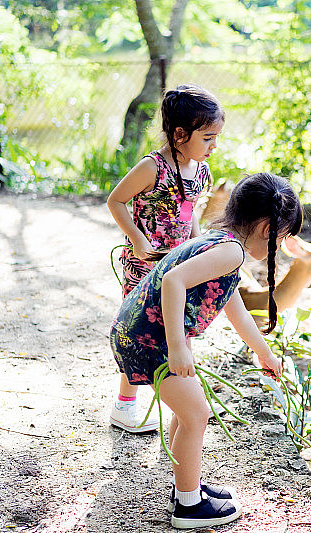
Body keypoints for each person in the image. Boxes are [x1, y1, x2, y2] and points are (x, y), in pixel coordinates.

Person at [109, 172, 300, 528]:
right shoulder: (231, 251)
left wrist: (264, 353)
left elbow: (235, 307)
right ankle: (188, 506)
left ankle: (186, 488)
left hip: (138, 333)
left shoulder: (222, 241)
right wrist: (178, 347)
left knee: (188, 412)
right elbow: (173, 280)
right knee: (197, 414)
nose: (282, 245)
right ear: (265, 229)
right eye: (283, 236)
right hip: (150, 341)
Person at [106, 84, 223, 433]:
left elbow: (189, 216)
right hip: (145, 268)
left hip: (180, 270)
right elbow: (115, 201)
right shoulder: (152, 167)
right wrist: (138, 239)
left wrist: (199, 246)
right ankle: (125, 406)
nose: (214, 145)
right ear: (179, 133)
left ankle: (183, 407)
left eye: (216, 137)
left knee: (180, 334)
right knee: (141, 335)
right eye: (207, 137)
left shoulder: (200, 171)